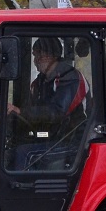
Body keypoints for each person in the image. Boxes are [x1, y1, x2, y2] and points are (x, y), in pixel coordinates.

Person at [8, 37, 88, 168]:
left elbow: (57, 112)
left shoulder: (70, 78)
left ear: (46, 55)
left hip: (74, 142)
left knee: (24, 153)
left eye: (36, 55)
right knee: (12, 150)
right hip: (53, 138)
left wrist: (20, 111)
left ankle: (20, 187)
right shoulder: (40, 83)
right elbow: (36, 112)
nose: (34, 61)